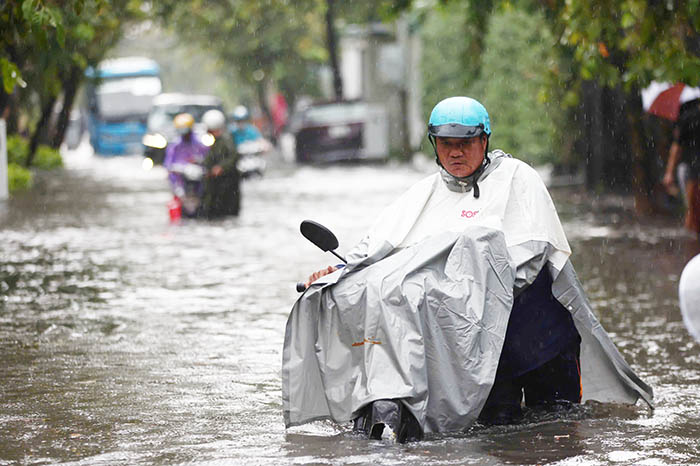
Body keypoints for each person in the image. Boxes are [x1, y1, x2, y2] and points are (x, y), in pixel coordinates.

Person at [284, 97, 653, 442]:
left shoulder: (518, 180)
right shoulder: (423, 196)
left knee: (559, 430)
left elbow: (527, 258)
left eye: (466, 142)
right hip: (476, 354)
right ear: (434, 145)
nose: (456, 152)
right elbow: (377, 252)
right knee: (497, 436)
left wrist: (452, 282)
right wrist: (339, 272)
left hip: (541, 339)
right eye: (446, 143)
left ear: (485, 140)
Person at [662, 99, 700, 239]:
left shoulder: (688, 116)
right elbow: (677, 147)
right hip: (692, 170)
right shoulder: (689, 118)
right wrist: (669, 172)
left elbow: (676, 147)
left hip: (691, 170)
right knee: (692, 213)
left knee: (692, 213)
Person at [200, 109, 241, 218]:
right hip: (214, 182)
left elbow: (234, 157)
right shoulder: (210, 141)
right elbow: (208, 158)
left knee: (227, 209)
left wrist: (221, 168)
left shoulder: (227, 140)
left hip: (228, 182)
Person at [163, 113, 208, 198]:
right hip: (180, 183)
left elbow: (206, 158)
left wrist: (197, 161)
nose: (185, 135)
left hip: (197, 182)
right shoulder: (175, 145)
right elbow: (168, 164)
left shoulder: (199, 142)